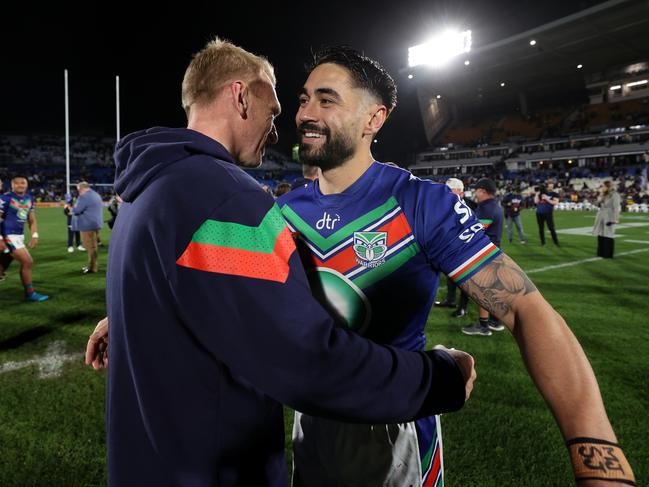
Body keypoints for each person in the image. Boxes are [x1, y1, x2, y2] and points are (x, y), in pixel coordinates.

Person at [85, 38, 476, 487]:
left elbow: (177, 286)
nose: (277, 132)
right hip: (213, 468)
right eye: (272, 112)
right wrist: (438, 378)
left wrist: (130, 318)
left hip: (144, 462)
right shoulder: (226, 195)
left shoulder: (145, 185)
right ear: (239, 96)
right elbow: (306, 360)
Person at [277, 46, 633, 486]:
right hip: (312, 424)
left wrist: (597, 454)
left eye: (326, 99)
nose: (306, 112)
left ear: (374, 119)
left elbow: (525, 310)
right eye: (303, 98)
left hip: (396, 429)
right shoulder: (282, 212)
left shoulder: (421, 203)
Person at [461, 178, 505, 337]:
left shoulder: (487, 208)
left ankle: (483, 325)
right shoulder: (493, 205)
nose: (475, 192)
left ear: (483, 191)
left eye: (477, 190)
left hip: (484, 253)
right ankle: (495, 321)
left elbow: (477, 231)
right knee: (492, 290)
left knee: (483, 291)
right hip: (493, 250)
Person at [0, 175, 49, 301]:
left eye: (23, 183)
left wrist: (34, 235)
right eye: (17, 183)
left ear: (27, 185)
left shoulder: (29, 199)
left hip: (19, 235)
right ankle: (30, 293)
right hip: (8, 235)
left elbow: (32, 220)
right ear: (12, 185)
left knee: (4, 262)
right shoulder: (5, 198)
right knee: (27, 261)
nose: (21, 185)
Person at [434, 177, 465, 309]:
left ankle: (463, 307)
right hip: (447, 248)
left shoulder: (466, 207)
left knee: (465, 281)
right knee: (450, 278)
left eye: (451, 190)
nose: (448, 193)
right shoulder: (446, 206)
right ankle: (450, 300)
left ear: (461, 192)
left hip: (462, 248)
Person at [69, 181, 103, 274]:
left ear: (81, 188)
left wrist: (70, 209)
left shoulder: (84, 196)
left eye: (78, 189)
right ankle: (93, 265)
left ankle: (92, 268)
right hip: (95, 224)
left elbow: (77, 210)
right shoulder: (95, 194)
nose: (78, 191)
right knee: (93, 246)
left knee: (90, 247)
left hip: (87, 225)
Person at [592, 180, 621, 258]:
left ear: (608, 187)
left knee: (608, 234)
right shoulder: (602, 194)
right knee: (600, 234)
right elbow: (598, 204)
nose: (602, 188)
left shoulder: (615, 195)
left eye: (604, 186)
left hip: (609, 216)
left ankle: (608, 254)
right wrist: (598, 199)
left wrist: (616, 219)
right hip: (601, 215)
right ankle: (600, 252)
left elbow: (616, 208)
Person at [534, 181, 560, 246]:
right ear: (547, 186)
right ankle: (542, 243)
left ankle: (556, 242)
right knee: (541, 229)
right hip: (539, 212)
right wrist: (537, 194)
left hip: (548, 213)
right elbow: (536, 202)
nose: (550, 188)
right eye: (549, 186)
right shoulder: (541, 193)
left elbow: (556, 202)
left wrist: (547, 198)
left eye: (552, 186)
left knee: (551, 228)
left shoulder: (554, 194)